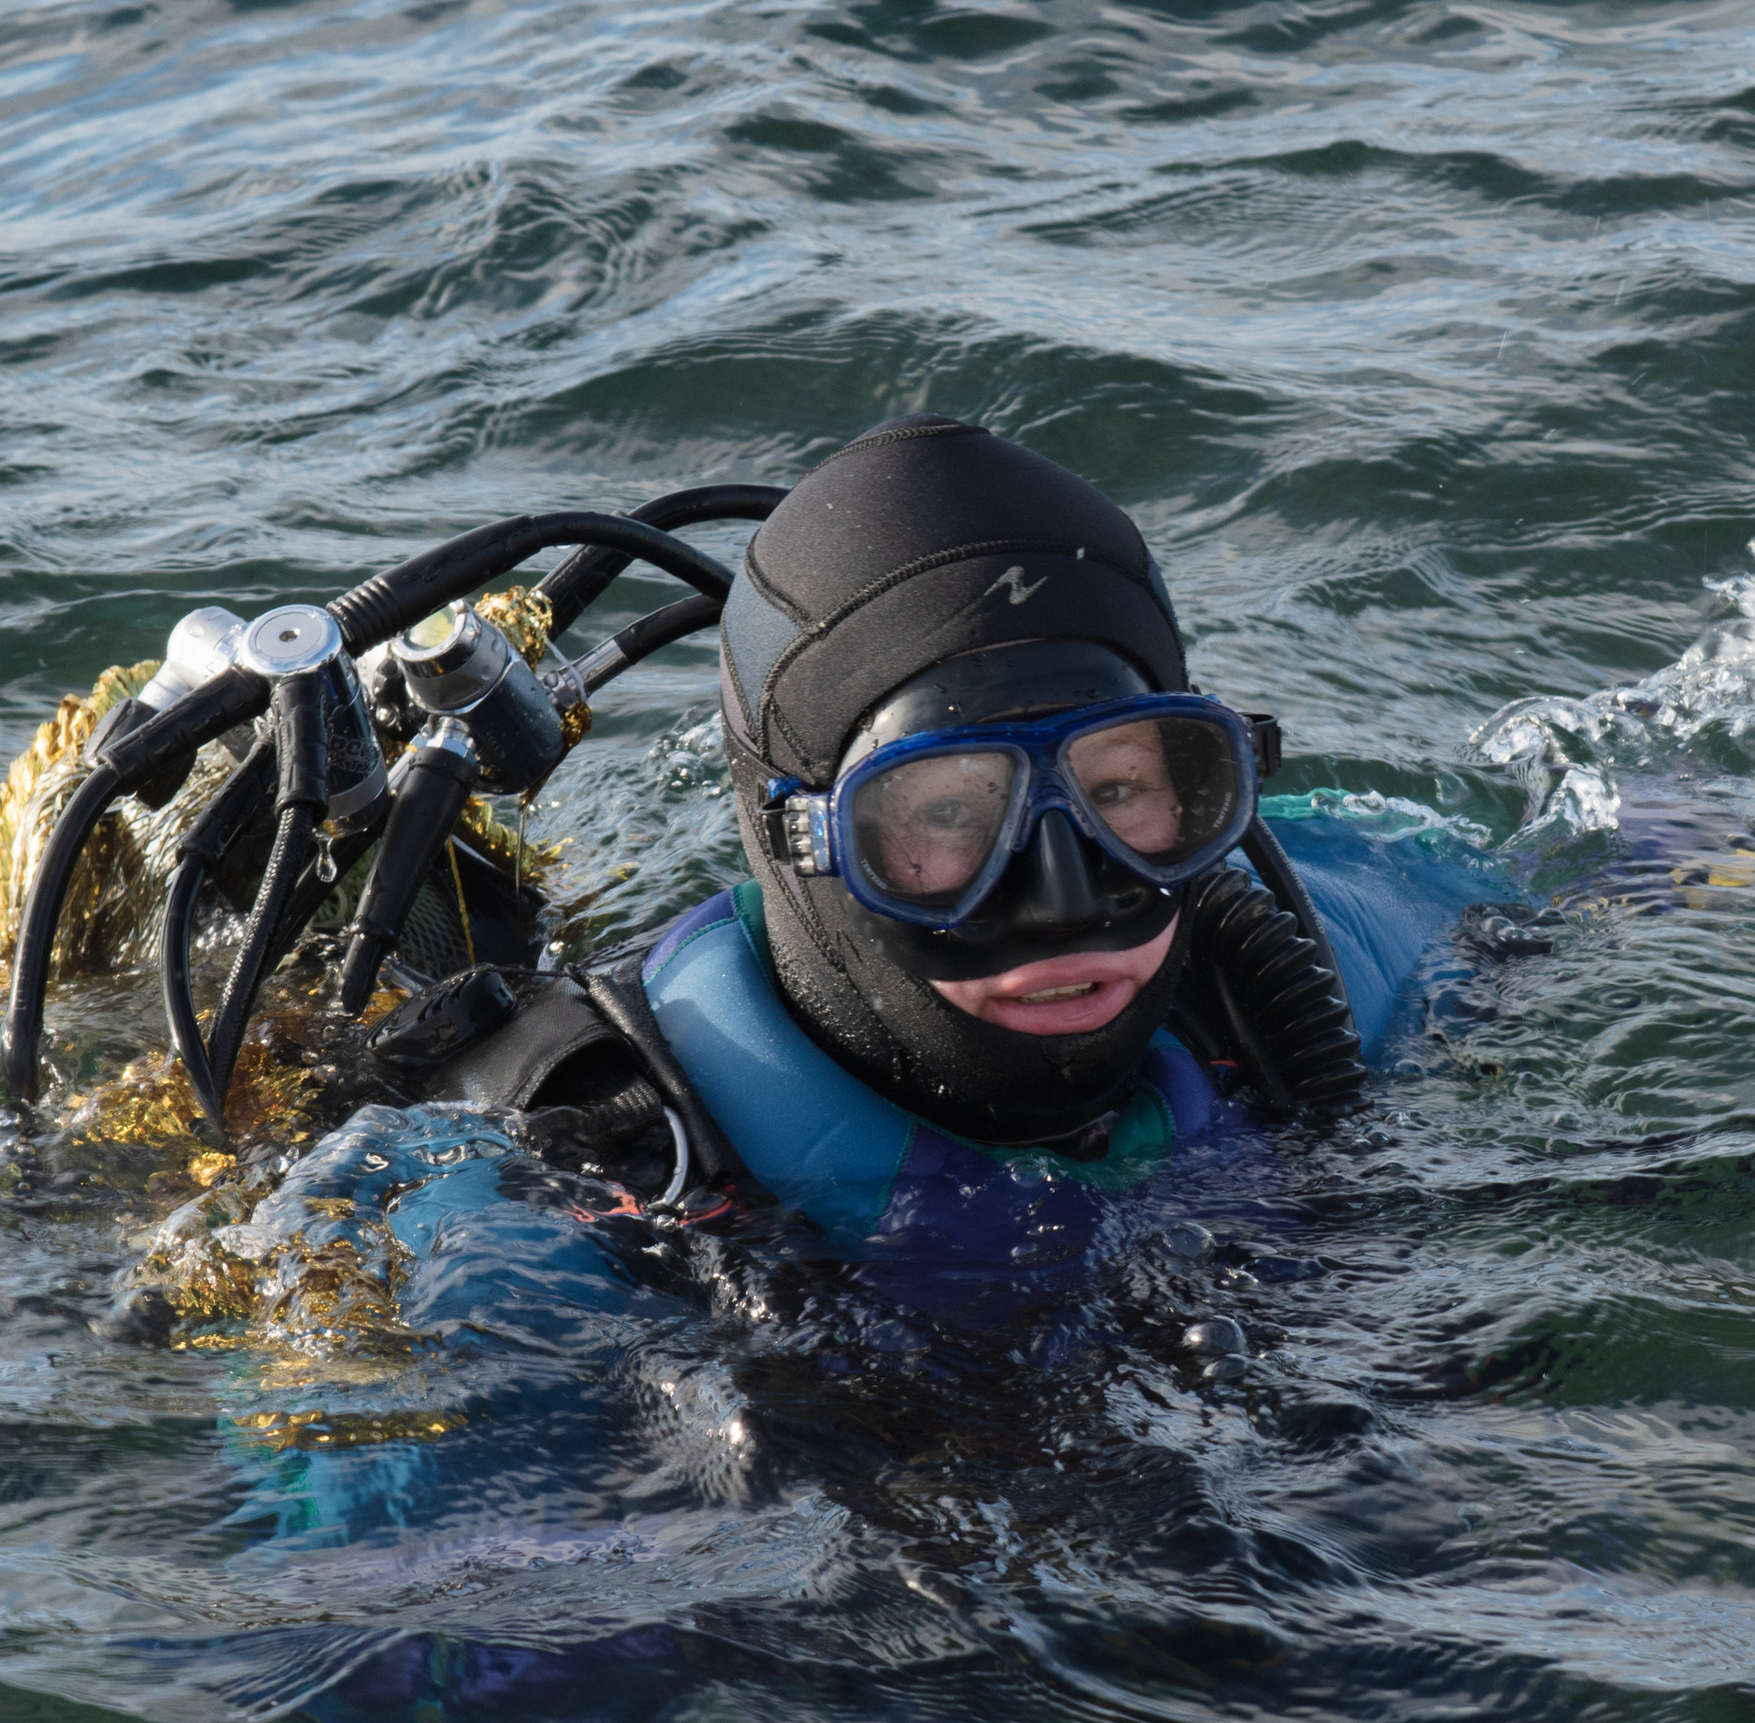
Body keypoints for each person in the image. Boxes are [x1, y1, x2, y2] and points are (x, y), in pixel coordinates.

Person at [388, 416, 1481, 1267]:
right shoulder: (564, 1183)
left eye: (1124, 788)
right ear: (794, 836)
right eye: (947, 814)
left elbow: (1596, 843)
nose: (1066, 891)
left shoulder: (1303, 969)